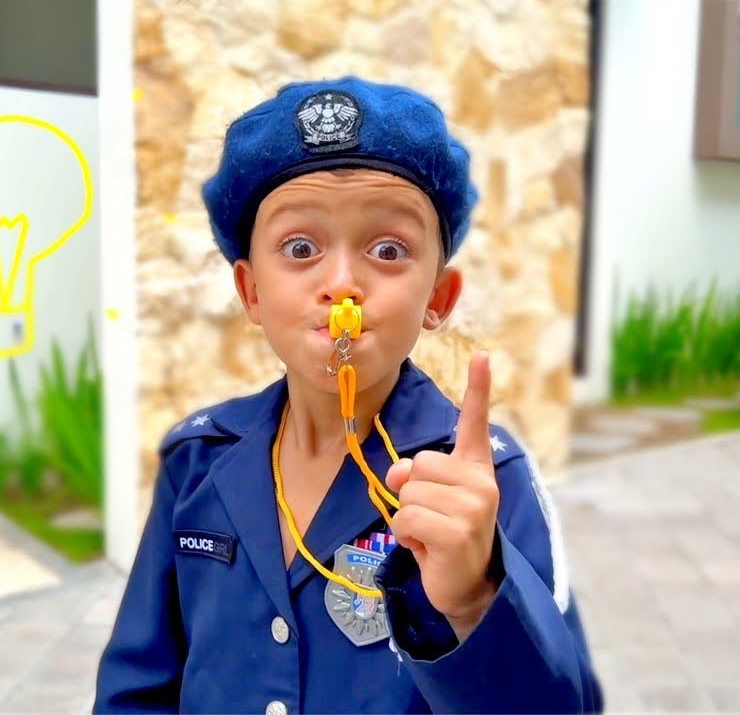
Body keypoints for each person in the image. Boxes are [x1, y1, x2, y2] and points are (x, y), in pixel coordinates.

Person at [94, 75, 603, 714]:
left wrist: (475, 600)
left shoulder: (481, 487)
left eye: (388, 250)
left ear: (438, 298)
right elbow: (136, 690)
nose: (341, 283)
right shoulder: (197, 461)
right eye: (300, 247)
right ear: (251, 292)